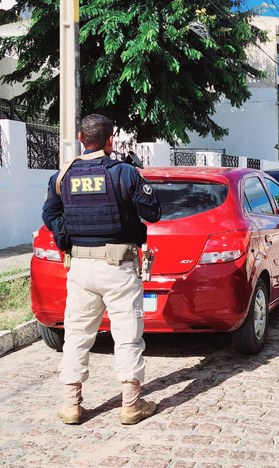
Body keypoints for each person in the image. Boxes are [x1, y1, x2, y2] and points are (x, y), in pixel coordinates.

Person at [42, 114, 161, 425]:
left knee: (77, 335)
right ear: (111, 140)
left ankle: (71, 405)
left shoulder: (63, 175)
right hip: (118, 265)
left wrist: (65, 238)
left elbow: (50, 215)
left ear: (82, 139)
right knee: (127, 334)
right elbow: (154, 212)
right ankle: (132, 405)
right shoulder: (123, 173)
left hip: (80, 266)